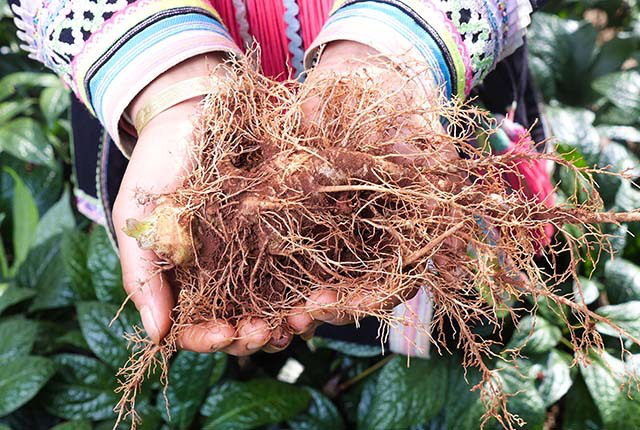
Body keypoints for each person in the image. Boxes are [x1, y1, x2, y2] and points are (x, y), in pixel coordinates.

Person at [11, 0, 550, 356]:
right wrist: (169, 84)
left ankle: (407, 344)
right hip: (152, 57)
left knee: (411, 249)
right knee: (243, 282)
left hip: (421, 74)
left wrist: (389, 53)